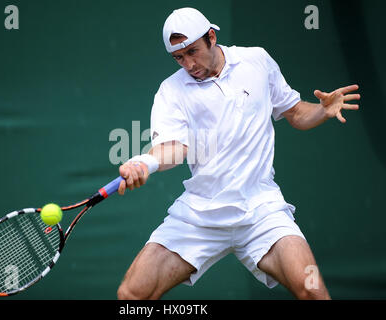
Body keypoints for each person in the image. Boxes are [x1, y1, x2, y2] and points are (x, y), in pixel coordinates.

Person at [115, 7, 360, 300]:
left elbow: (295, 113)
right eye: (179, 58)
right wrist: (145, 162)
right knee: (132, 295)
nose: (188, 64)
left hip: (261, 210)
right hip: (199, 216)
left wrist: (322, 110)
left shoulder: (256, 60)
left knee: (312, 291)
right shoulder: (171, 91)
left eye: (193, 51)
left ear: (211, 37)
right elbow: (174, 149)